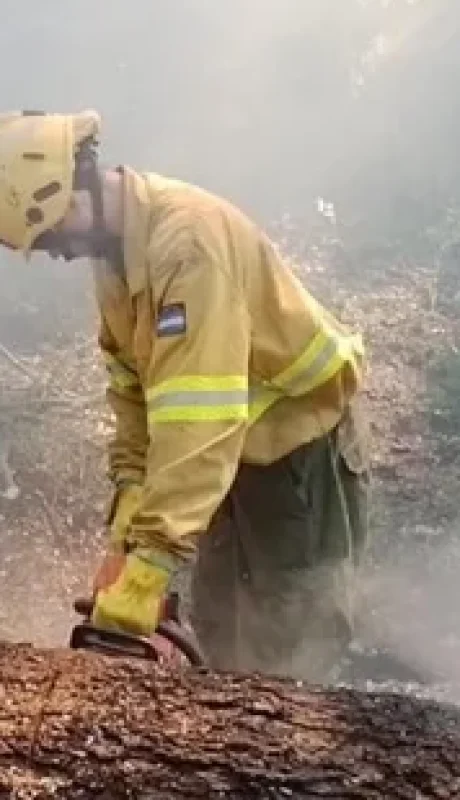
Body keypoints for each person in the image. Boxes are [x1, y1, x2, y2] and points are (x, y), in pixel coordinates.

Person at [0, 109, 370, 681]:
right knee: (219, 619)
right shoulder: (118, 257)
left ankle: (292, 763)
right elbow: (133, 394)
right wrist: (127, 522)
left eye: (52, 233)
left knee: (292, 638)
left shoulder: (188, 245)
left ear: (71, 193)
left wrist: (149, 566)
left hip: (298, 447)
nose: (57, 252)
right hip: (227, 456)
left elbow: (202, 422)